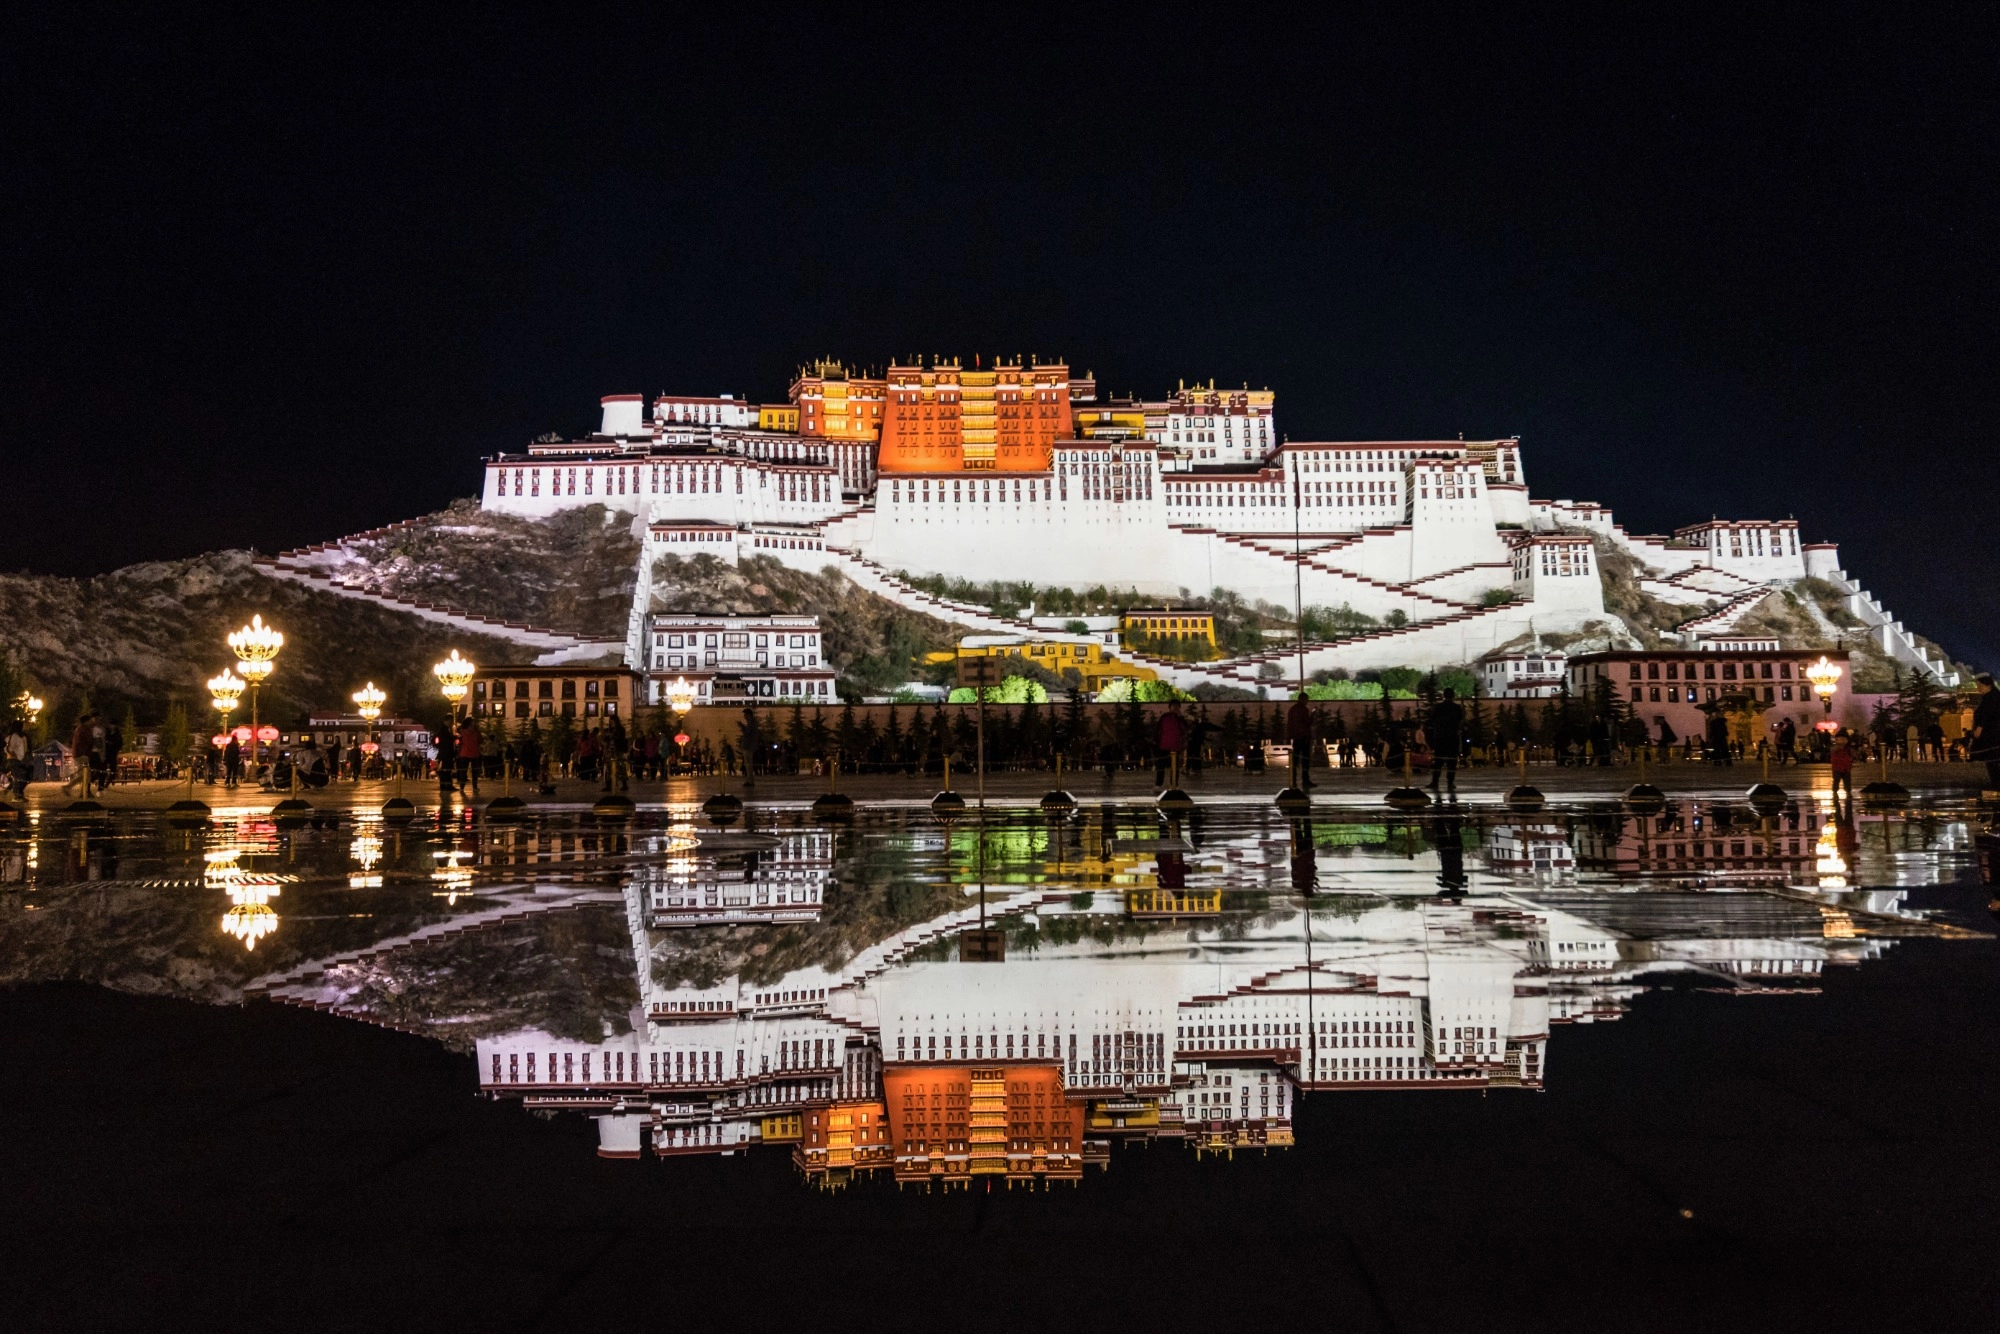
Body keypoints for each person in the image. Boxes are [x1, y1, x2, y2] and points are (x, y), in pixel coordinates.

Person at [1426, 687, 1465, 798]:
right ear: (1453, 695)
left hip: (1440, 737)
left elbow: (1431, 720)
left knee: (1438, 761)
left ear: (1444, 695)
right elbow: (1461, 720)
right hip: (1453, 738)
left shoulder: (1438, 707)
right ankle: (1450, 782)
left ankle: (1435, 781)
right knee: (1451, 762)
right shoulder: (1457, 708)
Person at [1971, 674, 2000, 789]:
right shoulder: (1991, 696)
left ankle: (1997, 785)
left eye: (1979, 685)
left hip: (1992, 735)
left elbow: (1988, 714)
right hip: (1992, 734)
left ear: (1987, 685)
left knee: (1993, 760)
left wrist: (1980, 727)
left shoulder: (1991, 698)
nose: (1978, 688)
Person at [1154, 700, 1187, 788]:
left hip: (1175, 746)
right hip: (1163, 746)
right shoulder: (1164, 717)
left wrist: (1180, 718)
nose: (1175, 708)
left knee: (1175, 768)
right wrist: (1157, 742)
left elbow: (1185, 729)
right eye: (1173, 706)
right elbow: (1158, 730)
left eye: (1177, 706)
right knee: (1160, 767)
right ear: (1170, 707)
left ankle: (1174, 784)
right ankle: (1158, 784)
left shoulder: (1180, 719)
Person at [63, 712, 95, 797]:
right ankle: (68, 787)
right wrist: (84, 753)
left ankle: (83, 793)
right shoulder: (83, 730)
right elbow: (84, 742)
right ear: (86, 721)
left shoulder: (79, 729)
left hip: (80, 754)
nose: (91, 722)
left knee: (85, 775)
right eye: (89, 720)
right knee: (85, 775)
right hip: (82, 755)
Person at [1285, 695, 1314, 789]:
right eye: (1306, 699)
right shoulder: (1303, 710)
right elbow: (1307, 723)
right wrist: (1312, 715)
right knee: (1305, 760)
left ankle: (1292, 781)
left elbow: (1289, 724)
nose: (1307, 701)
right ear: (1303, 699)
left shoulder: (1292, 709)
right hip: (1304, 737)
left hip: (1296, 738)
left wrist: (1289, 736)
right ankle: (1305, 780)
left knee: (1295, 760)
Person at [456, 715, 482, 795]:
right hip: (472, 752)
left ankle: (463, 787)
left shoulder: (462, 730)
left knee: (466, 770)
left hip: (467, 752)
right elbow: (480, 740)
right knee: (471, 771)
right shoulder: (474, 731)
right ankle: (473, 786)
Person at [4, 721, 29, 799]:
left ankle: (17, 794)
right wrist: (17, 755)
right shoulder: (15, 737)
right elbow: (17, 750)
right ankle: (16, 796)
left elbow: (5, 748)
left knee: (19, 777)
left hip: (12, 760)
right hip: (15, 760)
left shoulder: (10, 737)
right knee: (19, 777)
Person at [1830, 729, 1855, 804]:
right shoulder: (1835, 748)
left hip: (1846, 768)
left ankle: (1848, 792)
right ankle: (1835, 792)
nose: (1841, 740)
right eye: (1839, 739)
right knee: (1836, 780)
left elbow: (1853, 755)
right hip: (1837, 767)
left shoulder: (1848, 749)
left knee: (1847, 781)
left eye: (1843, 739)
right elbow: (1832, 751)